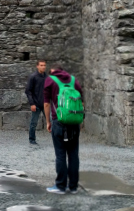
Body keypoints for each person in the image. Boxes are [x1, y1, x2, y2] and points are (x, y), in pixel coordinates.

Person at [43, 63, 84, 194]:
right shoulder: (73, 80)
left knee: (60, 155)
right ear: (62, 70)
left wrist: (48, 121)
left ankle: (60, 186)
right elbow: (81, 102)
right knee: (73, 154)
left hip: (59, 121)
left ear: (52, 71)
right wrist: (80, 121)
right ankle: (73, 187)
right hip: (74, 123)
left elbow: (46, 103)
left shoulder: (50, 80)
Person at [25, 60, 47, 145]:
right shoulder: (33, 77)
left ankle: (56, 139)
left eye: (44, 65)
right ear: (37, 66)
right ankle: (32, 139)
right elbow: (28, 91)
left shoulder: (47, 77)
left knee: (52, 122)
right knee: (33, 123)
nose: (43, 67)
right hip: (36, 104)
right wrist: (32, 103)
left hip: (45, 104)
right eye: (41, 65)